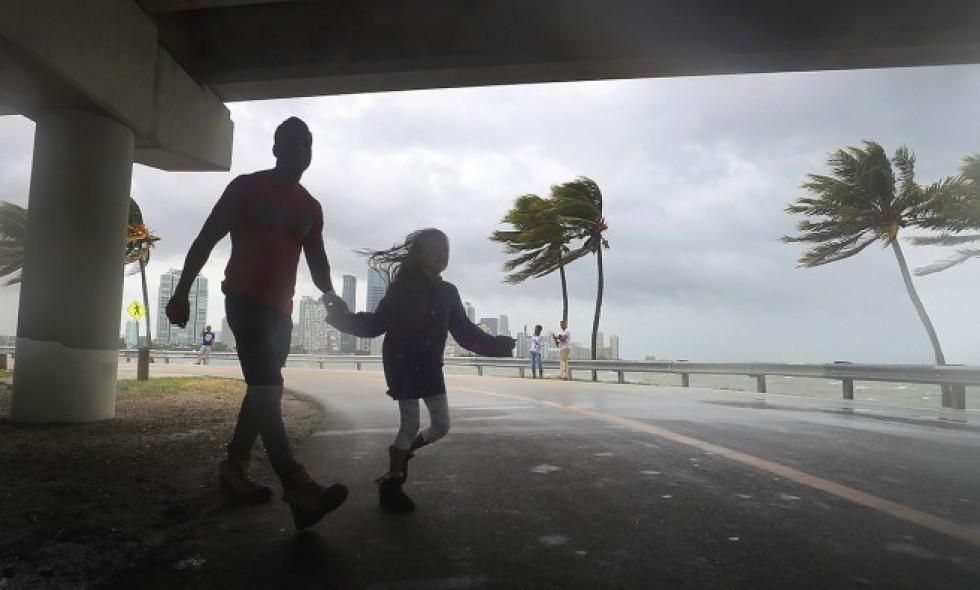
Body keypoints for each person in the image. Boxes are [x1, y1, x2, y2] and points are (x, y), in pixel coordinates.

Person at [165, 117, 348, 530]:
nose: (301, 150)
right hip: (245, 303)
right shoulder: (246, 187)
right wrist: (181, 293)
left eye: (307, 144)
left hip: (281, 313)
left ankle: (235, 469)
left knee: (264, 390)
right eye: (292, 143)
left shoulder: (310, 207)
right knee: (267, 389)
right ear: (275, 148)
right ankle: (297, 484)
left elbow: (317, 261)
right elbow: (205, 238)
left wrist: (331, 296)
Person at [323, 228, 515, 513]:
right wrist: (341, 318)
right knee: (409, 423)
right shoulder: (401, 289)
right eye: (435, 249)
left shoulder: (449, 292)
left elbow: (465, 333)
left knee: (441, 425)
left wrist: (497, 345)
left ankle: (402, 452)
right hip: (401, 362)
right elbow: (375, 325)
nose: (441, 255)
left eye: (446, 250)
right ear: (419, 254)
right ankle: (393, 482)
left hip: (430, 365)